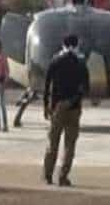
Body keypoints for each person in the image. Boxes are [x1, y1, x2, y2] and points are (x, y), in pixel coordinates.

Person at [43, 34, 90, 187]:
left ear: (62, 44)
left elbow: (47, 84)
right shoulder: (80, 63)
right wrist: (75, 100)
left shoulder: (55, 60)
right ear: (77, 45)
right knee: (69, 145)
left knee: (53, 142)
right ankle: (63, 176)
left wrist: (46, 105)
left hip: (57, 107)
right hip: (74, 108)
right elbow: (86, 88)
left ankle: (48, 175)